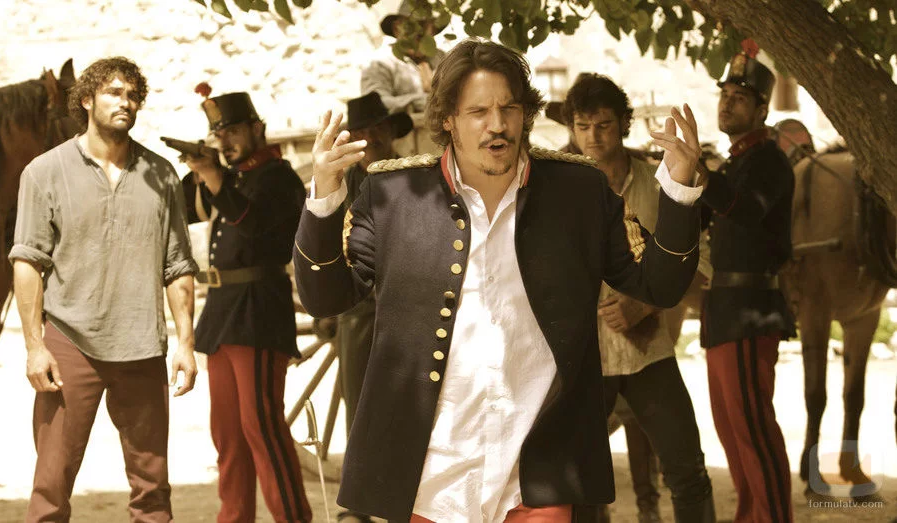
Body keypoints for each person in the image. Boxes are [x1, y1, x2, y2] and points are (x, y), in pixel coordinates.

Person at [295, 38, 706, 522]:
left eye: (509, 108)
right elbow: (325, 296)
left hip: (540, 472)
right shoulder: (393, 196)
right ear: (448, 119)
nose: (497, 124)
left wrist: (679, 190)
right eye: (478, 111)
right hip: (431, 473)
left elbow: (657, 284)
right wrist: (324, 201)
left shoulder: (579, 191)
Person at [10, 57, 198, 522]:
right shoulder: (44, 172)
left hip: (142, 346)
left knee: (153, 491)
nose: (125, 102)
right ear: (87, 100)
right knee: (51, 486)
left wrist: (185, 344)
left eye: (133, 95)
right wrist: (35, 347)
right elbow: (28, 261)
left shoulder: (161, 175)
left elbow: (177, 266)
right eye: (114, 92)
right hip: (69, 343)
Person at [563, 72, 715, 523]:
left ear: (624, 124)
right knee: (578, 483)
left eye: (603, 125)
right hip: (582, 358)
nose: (593, 136)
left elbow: (700, 261)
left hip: (649, 352)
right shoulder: (556, 188)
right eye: (582, 126)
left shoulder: (661, 181)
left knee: (687, 470)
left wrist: (645, 303)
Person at [181, 90, 311, 523]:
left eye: (234, 130)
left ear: (258, 128)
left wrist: (215, 177)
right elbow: (184, 208)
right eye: (219, 134)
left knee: (263, 429)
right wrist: (202, 171)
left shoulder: (278, 177)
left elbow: (254, 224)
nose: (226, 140)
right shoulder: (231, 178)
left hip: (258, 312)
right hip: (223, 313)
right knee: (229, 435)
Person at [700, 50, 797, 523]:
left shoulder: (769, 160)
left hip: (750, 311)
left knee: (755, 433)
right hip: (723, 311)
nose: (727, 103)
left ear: (762, 109)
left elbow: (747, 208)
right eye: (725, 95)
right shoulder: (732, 166)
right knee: (733, 434)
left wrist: (700, 174)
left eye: (740, 98)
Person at [333, 91, 412, 523]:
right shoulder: (340, 184)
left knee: (412, 403)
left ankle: (411, 500)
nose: (371, 138)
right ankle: (358, 504)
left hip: (410, 310)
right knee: (359, 405)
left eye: (377, 129)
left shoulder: (415, 176)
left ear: (388, 132)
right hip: (358, 309)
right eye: (361, 132)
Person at [361, 0, 444, 114]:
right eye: (410, 27)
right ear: (396, 29)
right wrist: (424, 101)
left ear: (433, 29)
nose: (417, 32)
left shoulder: (444, 59)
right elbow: (374, 104)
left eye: (422, 25)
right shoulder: (380, 63)